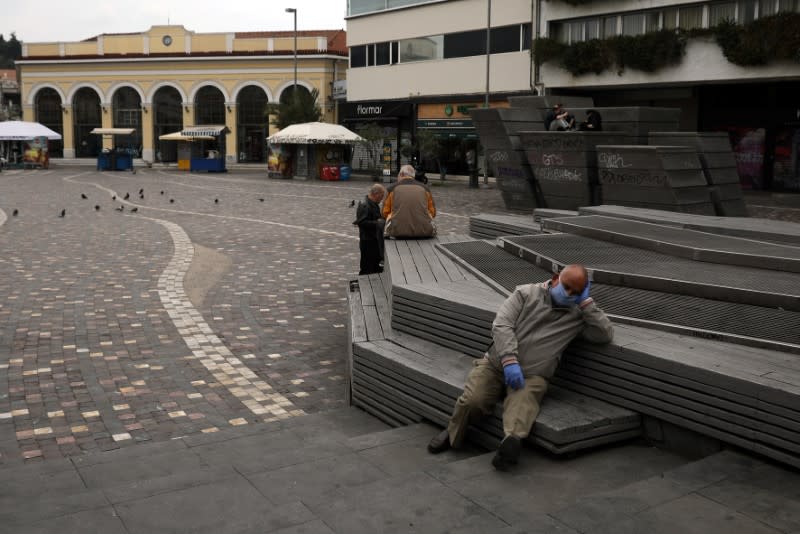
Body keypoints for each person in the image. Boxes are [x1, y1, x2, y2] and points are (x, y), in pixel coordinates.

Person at [427, 264, 614, 470]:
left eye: (576, 292)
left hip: (533, 375)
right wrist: (509, 361)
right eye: (566, 287)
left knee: (522, 406)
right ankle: (452, 433)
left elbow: (603, 334)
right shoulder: (525, 293)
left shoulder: (578, 314)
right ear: (555, 279)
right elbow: (501, 325)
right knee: (473, 400)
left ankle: (510, 446)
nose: (569, 294)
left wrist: (586, 303)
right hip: (497, 364)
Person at [382, 164, 437, 239]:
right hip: (424, 231)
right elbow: (432, 213)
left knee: (380, 223)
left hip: (396, 231)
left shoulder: (391, 188)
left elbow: (384, 213)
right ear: (413, 176)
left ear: (401, 174)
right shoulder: (425, 189)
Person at [353, 183, 386, 275]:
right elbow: (362, 223)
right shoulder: (365, 205)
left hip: (373, 239)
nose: (382, 198)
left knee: (375, 267)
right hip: (368, 241)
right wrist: (378, 223)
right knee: (367, 267)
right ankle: (364, 285)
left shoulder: (373, 204)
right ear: (376, 194)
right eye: (382, 195)